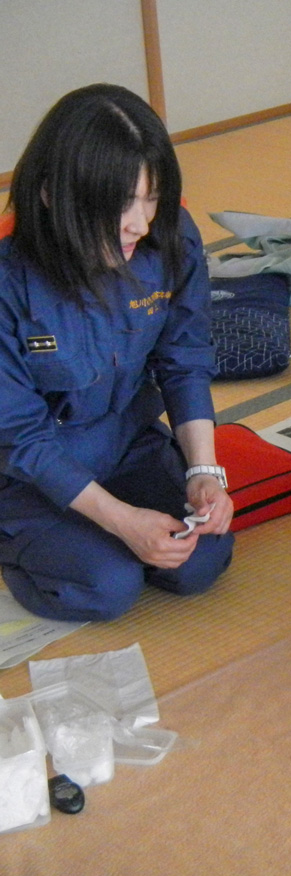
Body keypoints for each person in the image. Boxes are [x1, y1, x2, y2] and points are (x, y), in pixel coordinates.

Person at [0, 84, 235, 621]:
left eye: (152, 198)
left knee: (201, 558)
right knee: (107, 585)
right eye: (121, 203)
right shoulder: (7, 278)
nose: (140, 223)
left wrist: (204, 470)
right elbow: (20, 435)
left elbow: (184, 356)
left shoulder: (169, 236)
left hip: (126, 441)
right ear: (52, 195)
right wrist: (122, 521)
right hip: (24, 472)